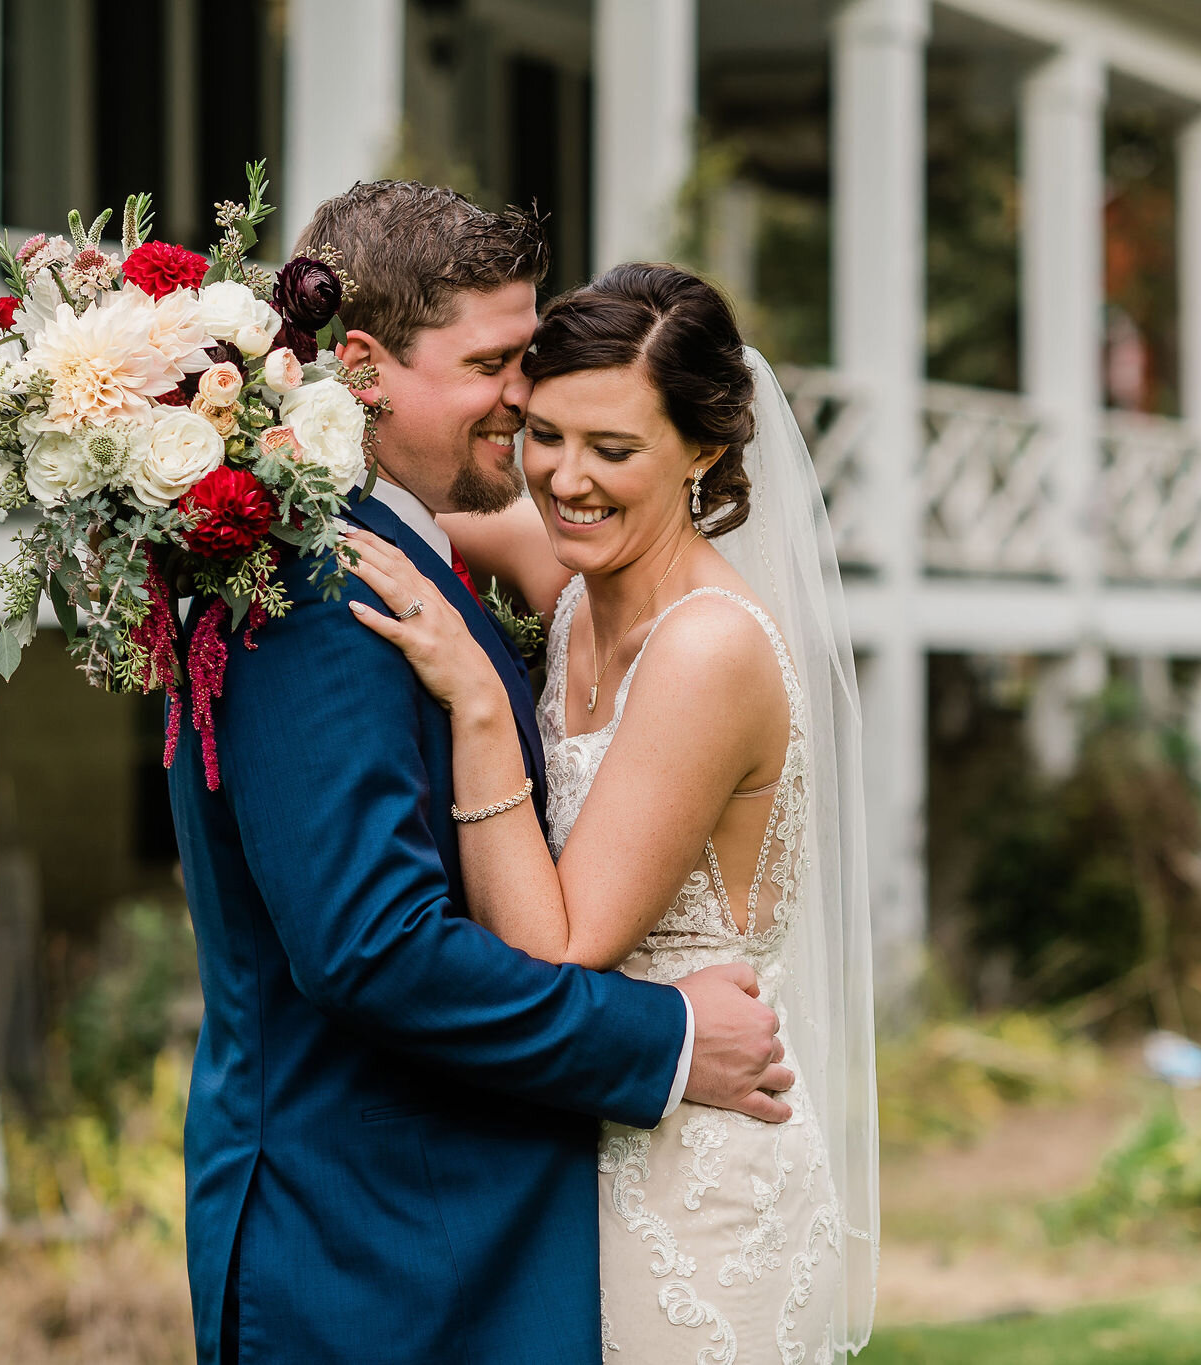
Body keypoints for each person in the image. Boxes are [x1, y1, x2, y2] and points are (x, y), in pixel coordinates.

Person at [166, 184, 797, 1365]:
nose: (527, 402)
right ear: (357, 366)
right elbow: (376, 950)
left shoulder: (406, 537)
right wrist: (660, 1039)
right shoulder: (314, 586)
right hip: (372, 1244)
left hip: (470, 1224)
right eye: (495, 364)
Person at [348, 263, 879, 1361]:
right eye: (544, 434)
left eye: (613, 450)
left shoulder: (705, 649)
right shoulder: (580, 581)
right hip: (580, 1143)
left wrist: (481, 703)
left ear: (706, 453)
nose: (564, 480)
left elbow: (557, 947)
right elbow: (403, 497)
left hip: (699, 1181)